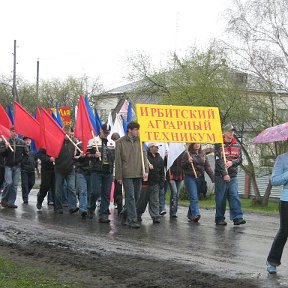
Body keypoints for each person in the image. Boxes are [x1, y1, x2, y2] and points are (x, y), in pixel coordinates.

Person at [115, 121, 148, 228]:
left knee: (137, 196)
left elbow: (144, 157)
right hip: (127, 173)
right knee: (130, 196)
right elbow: (118, 160)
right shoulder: (120, 142)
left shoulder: (140, 141)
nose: (137, 132)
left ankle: (124, 213)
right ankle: (132, 220)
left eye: (138, 130)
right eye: (135, 129)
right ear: (129, 130)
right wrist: (119, 175)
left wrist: (146, 171)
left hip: (138, 172)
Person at [214, 124, 246, 226]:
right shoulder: (219, 145)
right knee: (221, 197)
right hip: (220, 176)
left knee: (234, 195)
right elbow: (218, 161)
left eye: (233, 131)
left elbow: (240, 159)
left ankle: (237, 217)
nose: (232, 133)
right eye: (230, 131)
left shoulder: (237, 145)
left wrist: (232, 163)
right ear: (224, 132)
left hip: (233, 175)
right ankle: (219, 218)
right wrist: (224, 174)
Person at [87, 123, 115, 223]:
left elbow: (114, 159)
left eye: (108, 133)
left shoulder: (112, 143)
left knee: (106, 193)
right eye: (104, 132)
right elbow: (86, 155)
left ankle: (103, 214)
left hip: (108, 170)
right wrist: (94, 155)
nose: (106, 135)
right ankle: (91, 207)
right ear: (100, 130)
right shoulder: (92, 141)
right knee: (95, 192)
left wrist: (114, 171)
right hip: (96, 170)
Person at [266, 152, 288, 274]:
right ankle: (272, 261)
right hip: (287, 200)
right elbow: (274, 181)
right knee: (284, 231)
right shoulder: (282, 159)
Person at [181, 143, 214, 223]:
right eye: (195, 143)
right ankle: (196, 214)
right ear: (192, 144)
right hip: (190, 177)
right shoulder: (187, 154)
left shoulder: (203, 154)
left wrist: (213, 177)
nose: (197, 145)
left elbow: (207, 167)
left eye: (198, 143)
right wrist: (188, 162)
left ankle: (190, 214)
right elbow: (182, 166)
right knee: (194, 197)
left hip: (200, 177)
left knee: (196, 197)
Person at [0, 126, 28, 208]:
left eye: (16, 131)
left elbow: (26, 154)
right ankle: (4, 199)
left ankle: (11, 202)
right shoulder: (5, 141)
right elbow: (1, 153)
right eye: (13, 131)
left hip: (17, 166)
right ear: (10, 132)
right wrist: (6, 147)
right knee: (8, 183)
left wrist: (21, 162)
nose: (14, 133)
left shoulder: (22, 142)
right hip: (8, 166)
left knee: (15, 185)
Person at [137, 143, 164, 224]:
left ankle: (155, 216)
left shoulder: (160, 159)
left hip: (155, 183)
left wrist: (161, 182)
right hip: (145, 183)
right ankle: (138, 214)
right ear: (150, 147)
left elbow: (162, 172)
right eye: (156, 147)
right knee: (142, 201)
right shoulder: (144, 157)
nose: (158, 148)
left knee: (155, 201)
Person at [54, 125, 79, 214]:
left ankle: (73, 206)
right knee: (58, 190)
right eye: (64, 132)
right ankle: (58, 207)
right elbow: (52, 152)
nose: (66, 134)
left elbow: (77, 155)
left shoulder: (74, 142)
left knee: (71, 187)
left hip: (70, 169)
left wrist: (80, 154)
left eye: (68, 132)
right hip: (59, 169)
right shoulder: (57, 142)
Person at [74, 141, 90, 218]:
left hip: (92, 172)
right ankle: (83, 209)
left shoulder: (94, 144)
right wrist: (80, 156)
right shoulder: (78, 145)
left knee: (91, 192)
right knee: (83, 191)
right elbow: (74, 158)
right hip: (81, 171)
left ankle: (89, 208)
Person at [166, 152, 185, 218]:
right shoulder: (170, 151)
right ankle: (173, 211)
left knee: (177, 194)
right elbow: (165, 164)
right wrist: (166, 157)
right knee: (174, 192)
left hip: (180, 175)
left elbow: (185, 164)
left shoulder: (183, 153)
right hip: (171, 174)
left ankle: (174, 212)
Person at [21, 136, 37, 204]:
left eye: (29, 140)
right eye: (26, 140)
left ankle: (25, 193)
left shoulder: (32, 150)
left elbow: (35, 159)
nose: (27, 141)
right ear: (24, 141)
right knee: (25, 184)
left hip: (32, 170)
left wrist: (35, 165)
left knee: (32, 183)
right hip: (24, 169)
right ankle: (25, 198)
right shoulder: (22, 149)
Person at [111, 132, 123, 215]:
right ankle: (119, 206)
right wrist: (114, 174)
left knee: (119, 190)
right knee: (117, 190)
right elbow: (114, 162)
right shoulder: (112, 149)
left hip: (123, 172)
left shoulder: (122, 148)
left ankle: (120, 206)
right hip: (116, 172)